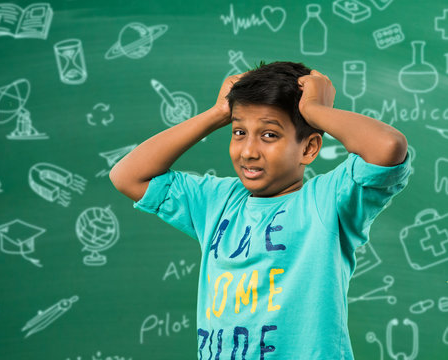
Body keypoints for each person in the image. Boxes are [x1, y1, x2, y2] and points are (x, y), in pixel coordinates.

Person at [109, 61, 410, 359]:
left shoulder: (328, 203)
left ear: (309, 148)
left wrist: (315, 110)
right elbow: (127, 175)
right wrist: (217, 114)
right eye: (239, 132)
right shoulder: (217, 201)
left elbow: (387, 146)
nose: (248, 151)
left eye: (269, 135)